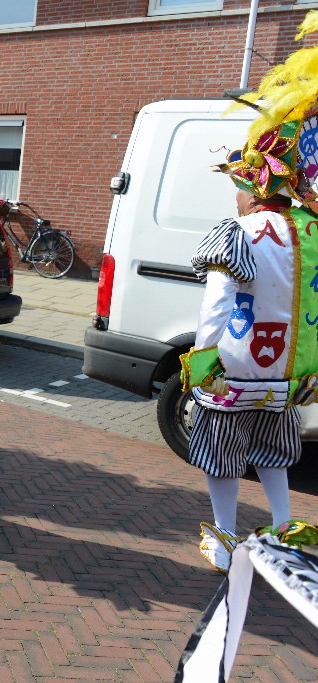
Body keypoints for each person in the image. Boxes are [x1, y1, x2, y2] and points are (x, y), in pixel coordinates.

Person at [181, 66, 318, 571]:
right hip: (290, 374)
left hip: (237, 367)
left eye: (238, 185)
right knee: (271, 452)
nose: (234, 195)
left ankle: (222, 539)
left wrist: (202, 360)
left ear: (254, 188)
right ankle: (285, 530)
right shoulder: (313, 231)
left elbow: (216, 304)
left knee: (223, 455)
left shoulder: (239, 230)